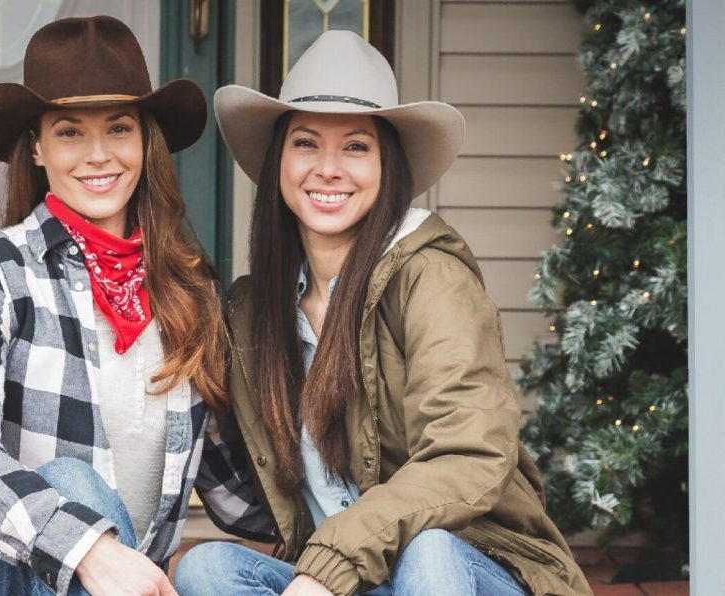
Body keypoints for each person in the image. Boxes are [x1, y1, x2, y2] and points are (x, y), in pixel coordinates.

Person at [174, 31, 593, 596]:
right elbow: (240, 476)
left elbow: (468, 452)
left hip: (471, 565)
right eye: (305, 143)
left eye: (354, 146)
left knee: (430, 551)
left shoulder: (430, 278)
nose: (328, 168)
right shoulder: (253, 312)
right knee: (208, 569)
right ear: (279, 160)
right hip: (351, 581)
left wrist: (328, 566)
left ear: (385, 165)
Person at [0, 16, 253, 596]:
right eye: (71, 132)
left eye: (120, 128)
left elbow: (237, 496)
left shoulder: (192, 294)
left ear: (145, 141)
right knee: (74, 486)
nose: (98, 155)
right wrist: (87, 547)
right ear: (37, 147)